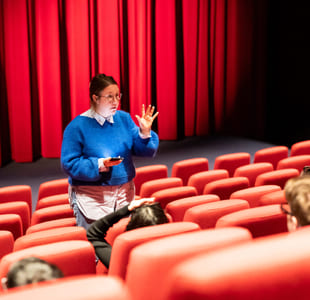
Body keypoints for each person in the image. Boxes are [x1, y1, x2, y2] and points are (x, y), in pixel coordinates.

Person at [61, 73, 159, 230]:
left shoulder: (124, 119)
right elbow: (69, 164)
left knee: (121, 241)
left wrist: (145, 132)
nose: (115, 102)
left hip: (124, 195)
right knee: (98, 245)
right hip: (93, 199)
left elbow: (144, 150)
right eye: (109, 97)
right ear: (95, 98)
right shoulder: (77, 127)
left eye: (117, 96)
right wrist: (100, 164)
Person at [87, 197, 169, 268]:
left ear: (132, 230)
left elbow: (93, 234)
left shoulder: (123, 263)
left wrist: (128, 208)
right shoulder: (176, 256)